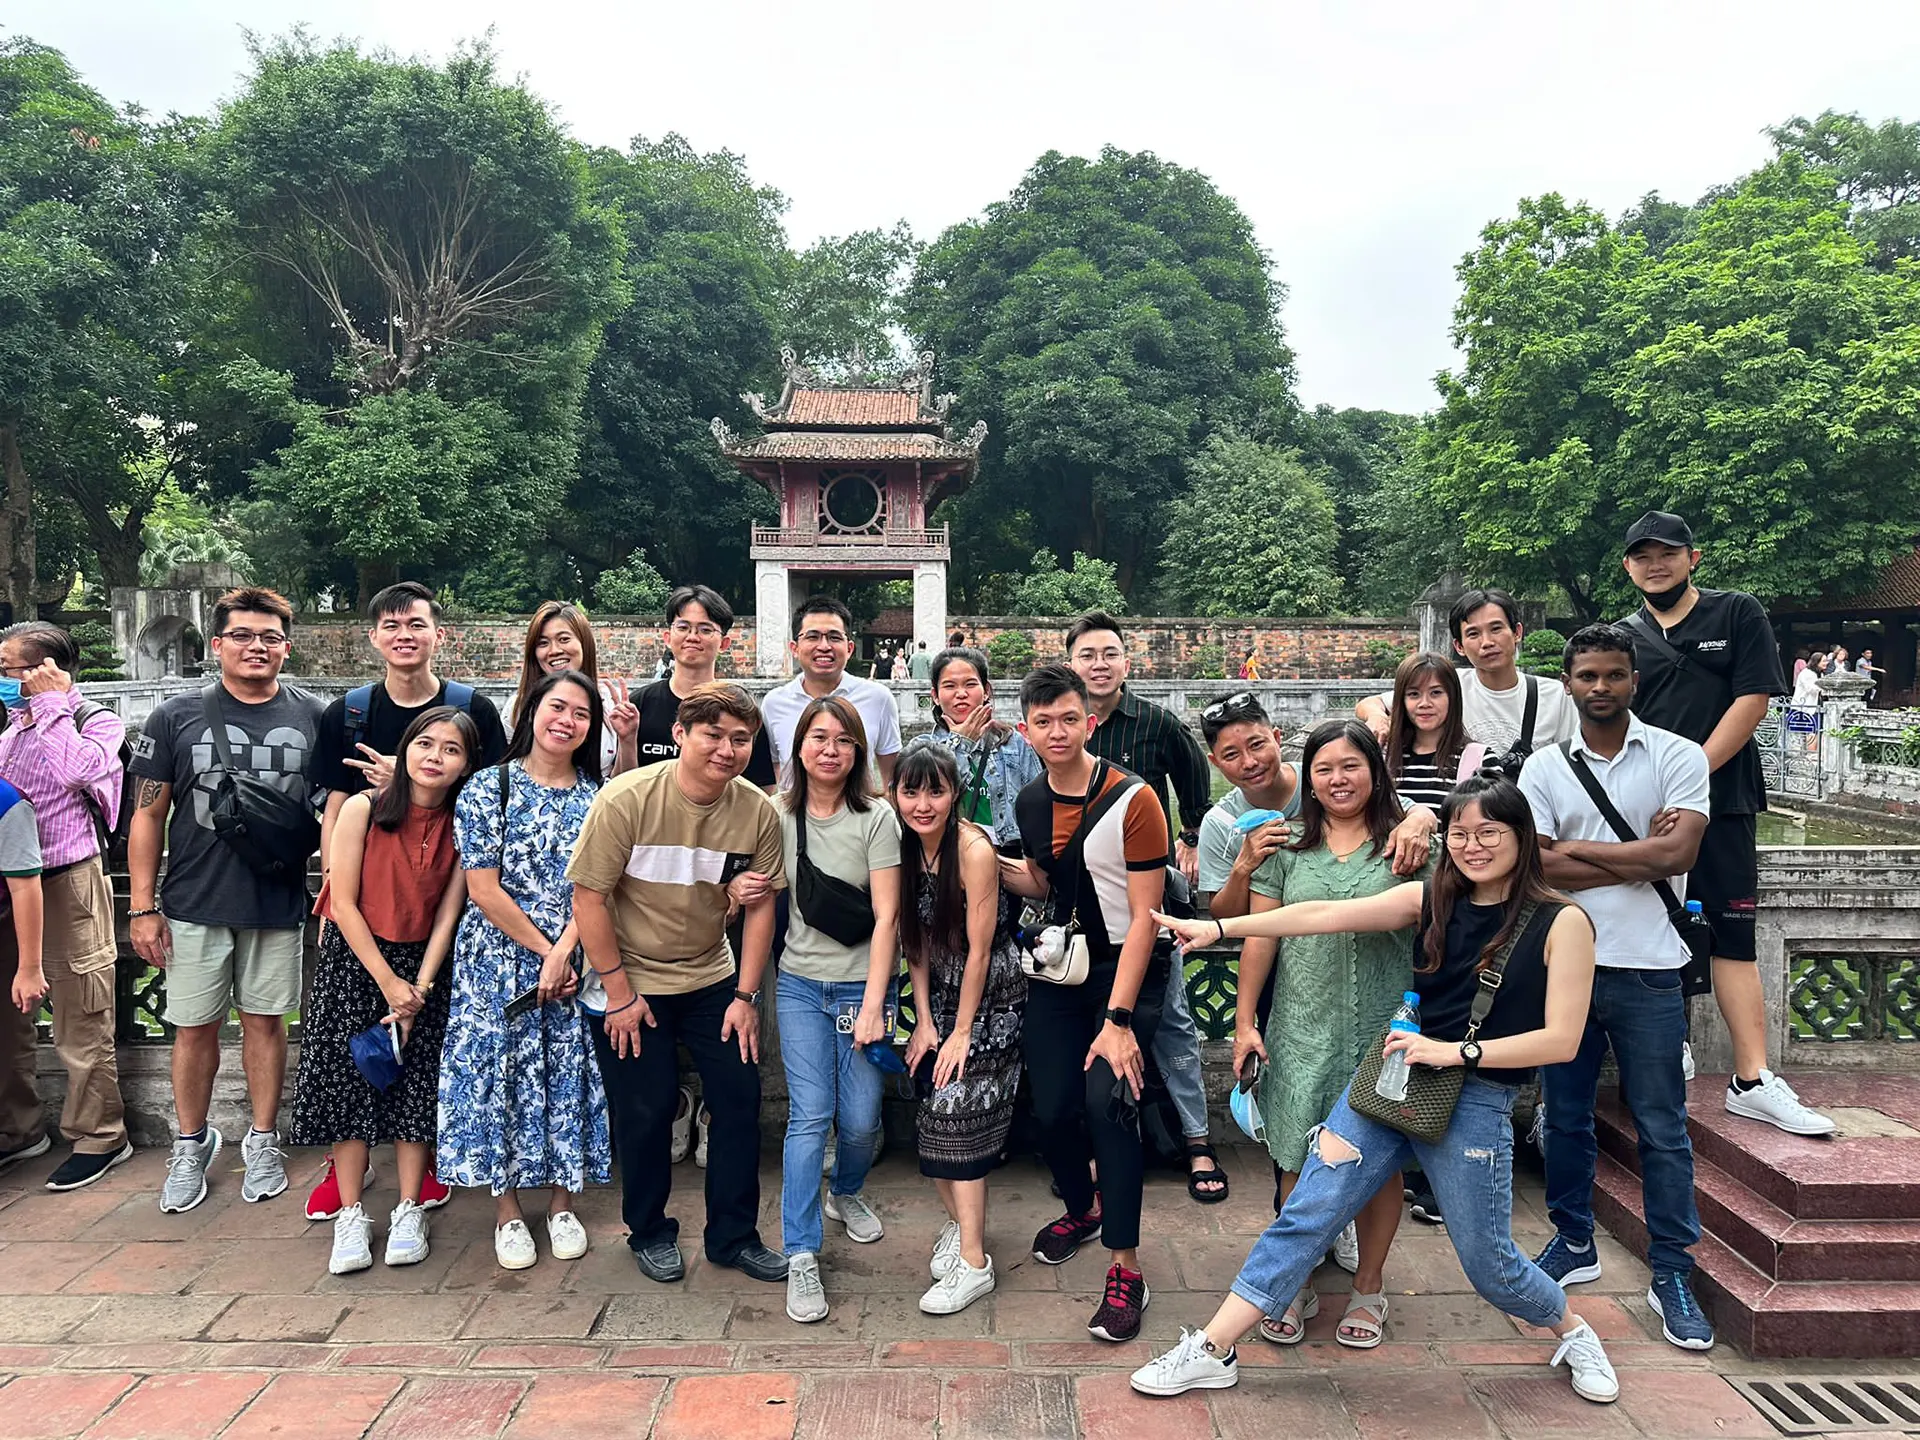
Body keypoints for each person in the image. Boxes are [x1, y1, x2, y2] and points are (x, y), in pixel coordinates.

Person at [1136, 778, 1618, 1407]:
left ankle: (1573, 1330)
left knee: (1490, 1264)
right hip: (1392, 1080)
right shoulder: (1432, 901)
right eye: (1462, 834)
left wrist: (1458, 1051)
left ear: (1522, 837)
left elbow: (1561, 1039)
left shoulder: (1564, 921)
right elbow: (1323, 915)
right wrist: (1219, 925)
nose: (1473, 848)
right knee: (1309, 1211)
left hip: (1475, 1098)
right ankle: (1211, 1349)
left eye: (1490, 833)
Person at [1519, 622, 1716, 1350]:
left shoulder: (1677, 755)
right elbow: (1533, 869)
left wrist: (1575, 848)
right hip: (1565, 964)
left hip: (1651, 966)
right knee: (1564, 1117)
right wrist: (1639, 856)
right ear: (1568, 683)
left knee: (1663, 1128)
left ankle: (1672, 1269)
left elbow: (1681, 850)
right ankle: (1573, 1239)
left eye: (1613, 675)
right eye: (1586, 676)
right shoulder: (1542, 769)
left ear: (1634, 680)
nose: (1600, 687)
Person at [1615, 512, 1829, 1135]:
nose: (1656, 564)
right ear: (1629, 567)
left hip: (1723, 798)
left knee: (1732, 932)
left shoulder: (1737, 613)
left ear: (1693, 558)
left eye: (1668, 553)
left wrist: (1690, 778)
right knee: (1651, 929)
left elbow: (1753, 699)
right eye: (1643, 556)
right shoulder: (1622, 636)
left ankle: (1752, 1078)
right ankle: (1663, 1053)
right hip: (1642, 809)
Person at [569, 682, 788, 1286]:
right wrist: (617, 993)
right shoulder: (626, 799)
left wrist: (746, 997)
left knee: (739, 1101)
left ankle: (734, 1236)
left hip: (712, 972)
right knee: (646, 1109)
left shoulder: (756, 811)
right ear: (681, 735)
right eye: (713, 734)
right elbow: (588, 898)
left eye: (740, 739)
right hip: (630, 976)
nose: (726, 749)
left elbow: (762, 905)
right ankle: (649, 1229)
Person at [305, 581, 509, 1222]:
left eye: (416, 624)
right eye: (391, 625)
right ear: (374, 638)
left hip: (443, 893)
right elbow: (336, 803)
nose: (404, 635)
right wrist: (333, 897)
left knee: (422, 1054)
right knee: (350, 1053)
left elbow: (494, 795)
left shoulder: (472, 708)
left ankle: (416, 1181)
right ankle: (350, 1181)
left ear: (437, 634)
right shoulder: (351, 712)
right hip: (366, 894)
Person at [1234, 719, 1431, 1346]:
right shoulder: (1285, 847)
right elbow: (1261, 937)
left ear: (1376, 771)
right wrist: (1244, 1023)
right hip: (1301, 1028)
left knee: (1382, 1164)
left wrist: (1424, 815)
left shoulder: (1407, 846)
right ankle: (1292, 1281)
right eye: (1324, 769)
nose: (1338, 779)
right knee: (1296, 1160)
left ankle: (1369, 1288)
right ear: (1309, 780)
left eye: (1351, 766)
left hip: (1388, 1033)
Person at [131, 587, 324, 1213]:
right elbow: (147, 814)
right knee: (193, 1028)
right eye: (242, 635)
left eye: (269, 637)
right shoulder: (175, 716)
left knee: (267, 1024)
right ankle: (191, 1142)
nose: (256, 647)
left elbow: (336, 811)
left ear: (286, 647)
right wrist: (142, 905)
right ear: (216, 644)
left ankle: (262, 1140)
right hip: (192, 901)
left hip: (275, 899)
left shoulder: (315, 717)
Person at [1002, 664, 1170, 1343]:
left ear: (1089, 721)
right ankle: (1084, 1204)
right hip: (1063, 968)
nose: (1058, 731)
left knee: (1110, 1102)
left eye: (1069, 718)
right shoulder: (1031, 801)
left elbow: (1145, 916)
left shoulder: (1136, 801)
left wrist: (1119, 1021)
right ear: (1026, 731)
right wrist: (983, 861)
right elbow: (1049, 879)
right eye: (1043, 722)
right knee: (1051, 1104)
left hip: (1128, 970)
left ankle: (1126, 1267)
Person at [437, 669, 610, 1271]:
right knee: (497, 1078)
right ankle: (507, 1209)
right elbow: (482, 888)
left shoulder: (598, 796)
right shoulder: (489, 788)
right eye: (556, 707)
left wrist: (567, 950)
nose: (566, 721)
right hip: (495, 961)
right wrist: (546, 951)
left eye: (581, 714)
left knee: (568, 1076)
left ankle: (563, 1202)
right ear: (531, 710)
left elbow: (600, 886)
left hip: (574, 958)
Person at [293, 708, 476, 1276]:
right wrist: (388, 981)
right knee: (352, 1084)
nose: (435, 757)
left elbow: (450, 908)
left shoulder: (464, 820)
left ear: (466, 764)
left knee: (416, 1085)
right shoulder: (363, 808)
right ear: (406, 748)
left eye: (451, 750)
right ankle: (351, 1213)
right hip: (358, 959)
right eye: (425, 743)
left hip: (424, 964)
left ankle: (406, 1206)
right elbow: (340, 899)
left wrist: (418, 984)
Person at [1066, 613, 1223, 1202]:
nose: (1099, 664)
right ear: (1071, 664)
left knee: (1173, 1018)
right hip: (1082, 899)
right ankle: (1103, 1143)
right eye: (1087, 655)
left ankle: (1196, 1138)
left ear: (1127, 663)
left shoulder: (1154, 722)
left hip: (1147, 895)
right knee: (1091, 1020)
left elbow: (1195, 781)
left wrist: (1188, 838)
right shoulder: (1065, 725)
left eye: (1109, 653)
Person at [765, 697, 901, 1323]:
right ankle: (800, 1255)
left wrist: (874, 1005)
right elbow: (757, 892)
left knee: (863, 1118)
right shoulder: (775, 815)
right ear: (798, 747)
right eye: (818, 737)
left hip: (859, 991)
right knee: (810, 1117)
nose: (830, 749)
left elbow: (887, 918)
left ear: (859, 751)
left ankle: (846, 1192)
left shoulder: (876, 817)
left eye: (844, 740)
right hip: (798, 987)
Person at [896, 745, 1027, 1316]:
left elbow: (978, 952)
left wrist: (961, 1032)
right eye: (911, 791)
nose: (923, 805)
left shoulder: (973, 849)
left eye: (936, 792)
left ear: (954, 794)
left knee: (958, 1113)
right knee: (929, 1107)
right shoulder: (903, 846)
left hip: (989, 996)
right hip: (938, 997)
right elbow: (915, 945)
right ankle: (960, 1225)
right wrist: (925, 1023)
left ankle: (974, 1261)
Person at [0, 622, 130, 1190]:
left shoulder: (93, 722)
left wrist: (54, 705)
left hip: (67, 878)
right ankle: (19, 1129)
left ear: (43, 669)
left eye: (8, 668)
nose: (2, 678)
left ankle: (101, 1134)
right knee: (10, 1016)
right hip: (11, 881)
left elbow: (78, 771)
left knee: (82, 1012)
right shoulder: (11, 729)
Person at [1381, 652, 1476, 1225]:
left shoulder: (1471, 756)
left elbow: (1478, 821)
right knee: (1398, 1027)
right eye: (1413, 694)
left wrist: (1423, 816)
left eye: (1437, 693)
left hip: (1449, 910)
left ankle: (1438, 1168)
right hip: (1391, 909)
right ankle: (1401, 1154)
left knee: (1443, 1027)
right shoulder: (1384, 754)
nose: (1425, 704)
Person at [1357, 589, 1578, 761]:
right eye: (1473, 633)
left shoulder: (1556, 696)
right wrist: (1377, 716)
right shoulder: (1449, 685)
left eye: (1496, 629)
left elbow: (1571, 764)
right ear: (1459, 646)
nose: (1487, 642)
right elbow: (1369, 703)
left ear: (1517, 632)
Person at [633, 586, 775, 790]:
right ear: (667, 637)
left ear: (724, 643)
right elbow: (622, 784)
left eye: (705, 629)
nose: (692, 636)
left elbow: (763, 789)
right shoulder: (639, 705)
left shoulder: (742, 712)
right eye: (683, 627)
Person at [905, 647, 1043, 853]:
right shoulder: (921, 747)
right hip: (948, 856)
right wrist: (960, 743)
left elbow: (1039, 805)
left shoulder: (1013, 743)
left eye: (970, 684)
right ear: (935, 695)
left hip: (1009, 856)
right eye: (949, 686)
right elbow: (927, 797)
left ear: (986, 690)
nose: (961, 694)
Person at [763, 597, 903, 789]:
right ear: (794, 648)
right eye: (812, 637)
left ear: (849, 648)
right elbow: (771, 775)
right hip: (794, 816)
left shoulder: (878, 698)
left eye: (834, 637)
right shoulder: (774, 703)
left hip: (859, 815)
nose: (824, 646)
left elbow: (892, 778)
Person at [510, 600, 641, 779]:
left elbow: (622, 786)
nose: (554, 650)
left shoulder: (611, 703)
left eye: (564, 639)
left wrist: (627, 739)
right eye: (543, 643)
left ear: (584, 643)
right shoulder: (517, 706)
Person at [0, 778, 47, 1175]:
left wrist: (29, 967)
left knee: (9, 1036)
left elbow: (24, 886)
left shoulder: (7, 800)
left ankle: (19, 1133)